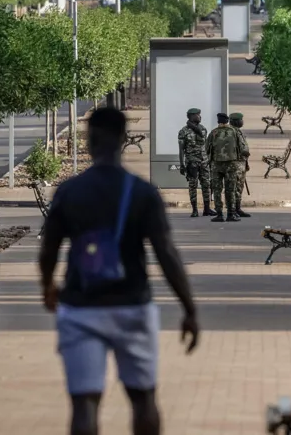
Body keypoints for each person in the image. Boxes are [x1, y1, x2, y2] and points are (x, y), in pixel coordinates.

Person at [38, 107, 200, 435]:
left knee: (84, 402)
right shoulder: (142, 192)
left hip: (81, 307)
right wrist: (189, 308)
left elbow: (48, 251)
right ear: (124, 140)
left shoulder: (69, 192)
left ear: (89, 140)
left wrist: (48, 287)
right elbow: (167, 254)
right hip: (132, 305)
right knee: (143, 398)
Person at [206, 112, 248, 223]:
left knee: (217, 190)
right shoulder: (234, 132)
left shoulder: (213, 132)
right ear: (227, 121)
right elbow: (244, 149)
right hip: (231, 165)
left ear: (218, 121)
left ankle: (219, 214)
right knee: (230, 190)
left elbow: (207, 149)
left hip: (216, 165)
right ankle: (231, 214)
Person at [178, 108, 216, 217]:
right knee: (192, 185)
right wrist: (182, 165)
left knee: (206, 184)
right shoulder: (183, 131)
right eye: (198, 115)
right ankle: (194, 210)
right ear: (191, 116)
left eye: (200, 114)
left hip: (204, 162)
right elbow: (181, 149)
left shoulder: (203, 129)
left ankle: (207, 209)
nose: (200, 117)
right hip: (192, 162)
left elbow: (206, 146)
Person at [229, 113, 251, 217]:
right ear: (236, 121)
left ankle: (238, 208)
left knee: (239, 187)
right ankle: (233, 209)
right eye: (241, 119)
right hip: (236, 164)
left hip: (242, 163)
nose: (243, 121)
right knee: (234, 187)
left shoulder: (239, 132)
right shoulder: (232, 132)